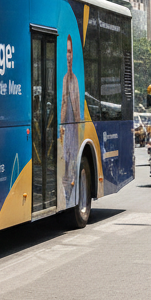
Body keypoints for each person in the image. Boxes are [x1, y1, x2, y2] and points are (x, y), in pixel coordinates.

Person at [60, 35, 82, 208]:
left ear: (73, 54)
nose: (68, 56)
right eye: (66, 52)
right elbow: (62, 105)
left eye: (70, 51)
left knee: (72, 162)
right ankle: (66, 195)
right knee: (64, 163)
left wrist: (77, 133)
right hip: (65, 127)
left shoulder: (74, 80)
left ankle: (70, 196)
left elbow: (77, 112)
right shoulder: (63, 79)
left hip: (73, 127)